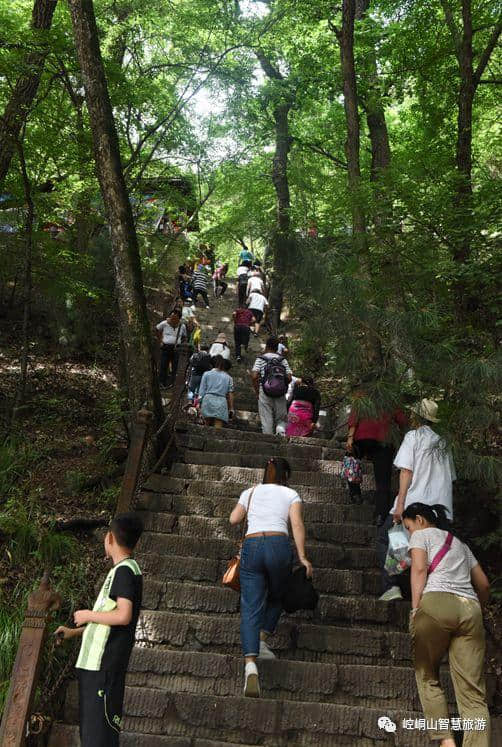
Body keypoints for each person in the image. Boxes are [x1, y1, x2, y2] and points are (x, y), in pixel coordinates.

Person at [403, 503, 491, 747]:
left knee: (427, 674)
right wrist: (477, 610)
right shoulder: (461, 545)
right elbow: (483, 585)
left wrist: (415, 609)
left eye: (408, 527)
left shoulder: (421, 535)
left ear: (419, 520)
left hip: (435, 605)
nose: (410, 533)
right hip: (469, 609)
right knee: (473, 694)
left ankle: (446, 741)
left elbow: (419, 570)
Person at [55, 513, 143, 747]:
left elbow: (123, 615)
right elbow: (110, 621)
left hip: (103, 667)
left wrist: (86, 615)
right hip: (96, 667)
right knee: (92, 735)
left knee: (98, 737)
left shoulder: (125, 571)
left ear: (110, 538)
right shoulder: (122, 570)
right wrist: (74, 632)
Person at [229, 457, 312, 697]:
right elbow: (296, 524)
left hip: (252, 546)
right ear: (285, 476)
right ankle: (263, 636)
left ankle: (251, 665)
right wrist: (303, 557)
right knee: (279, 593)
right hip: (278, 544)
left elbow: (233, 519)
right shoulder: (290, 495)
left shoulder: (250, 492)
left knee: (250, 605)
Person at [378, 398, 456, 601]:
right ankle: (433, 594)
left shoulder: (413, 437)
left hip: (415, 504)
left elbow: (406, 471)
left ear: (416, 417)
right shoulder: (443, 442)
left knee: (389, 537)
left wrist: (400, 505)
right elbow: (450, 478)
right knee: (432, 550)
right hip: (441, 509)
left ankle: (391, 585)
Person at [346, 398, 408, 524]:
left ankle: (355, 492)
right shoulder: (391, 398)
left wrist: (350, 438)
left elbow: (354, 418)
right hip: (384, 440)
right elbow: (402, 421)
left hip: (362, 438)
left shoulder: (362, 396)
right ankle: (380, 515)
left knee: (350, 460)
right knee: (383, 480)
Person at [251, 336, 292, 436]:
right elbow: (290, 378)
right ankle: (280, 432)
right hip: (280, 391)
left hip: (264, 390)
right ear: (277, 347)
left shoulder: (260, 359)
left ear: (267, 346)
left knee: (266, 416)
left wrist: (257, 391)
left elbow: (254, 376)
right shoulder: (282, 360)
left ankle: (268, 439)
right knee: (281, 417)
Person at [199, 354, 234, 428]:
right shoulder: (228, 377)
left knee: (206, 425)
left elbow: (201, 391)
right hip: (221, 402)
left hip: (207, 400)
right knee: (218, 428)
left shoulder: (206, 374)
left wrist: (199, 403)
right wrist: (231, 408)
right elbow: (230, 394)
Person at [156, 310, 187, 387]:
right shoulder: (164, 323)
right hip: (166, 347)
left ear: (179, 319)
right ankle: (162, 382)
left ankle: (173, 383)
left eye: (175, 318)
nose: (172, 319)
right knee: (163, 365)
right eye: (171, 317)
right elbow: (157, 329)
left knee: (175, 366)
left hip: (177, 348)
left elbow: (184, 336)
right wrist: (160, 340)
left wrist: (181, 344)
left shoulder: (182, 326)